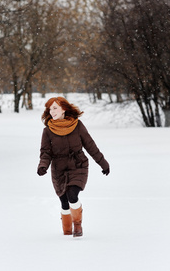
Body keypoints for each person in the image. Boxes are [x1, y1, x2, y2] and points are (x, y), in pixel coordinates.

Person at [37, 97, 110, 237]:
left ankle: (77, 225)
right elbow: (45, 153)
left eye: (55, 108)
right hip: (59, 169)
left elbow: (90, 145)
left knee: (72, 194)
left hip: (78, 165)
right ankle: (67, 230)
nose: (52, 112)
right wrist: (43, 166)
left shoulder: (77, 125)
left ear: (64, 109)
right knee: (64, 201)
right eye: (50, 109)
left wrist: (103, 163)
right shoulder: (48, 131)